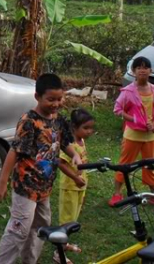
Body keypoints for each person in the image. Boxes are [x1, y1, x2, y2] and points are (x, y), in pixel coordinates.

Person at [0, 73, 83, 264]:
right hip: (26, 187)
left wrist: (74, 154)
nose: (56, 104)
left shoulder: (58, 120)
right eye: (51, 99)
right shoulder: (29, 121)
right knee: (19, 229)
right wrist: (2, 183)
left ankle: (29, 260)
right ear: (37, 97)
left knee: (41, 226)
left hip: (45, 188)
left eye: (59, 99)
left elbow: (64, 143)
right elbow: (14, 152)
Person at [109, 56, 154, 207]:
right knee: (125, 164)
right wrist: (133, 119)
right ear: (133, 71)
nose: (142, 70)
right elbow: (117, 109)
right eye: (139, 68)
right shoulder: (128, 91)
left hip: (150, 136)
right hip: (132, 134)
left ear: (150, 71)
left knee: (150, 165)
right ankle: (117, 193)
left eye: (145, 67)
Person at [56, 108, 95, 257]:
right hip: (70, 188)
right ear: (73, 127)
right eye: (85, 128)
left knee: (73, 218)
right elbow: (60, 163)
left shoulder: (81, 141)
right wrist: (75, 178)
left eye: (91, 128)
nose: (89, 131)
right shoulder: (70, 145)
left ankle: (64, 245)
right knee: (66, 220)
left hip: (79, 186)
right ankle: (58, 253)